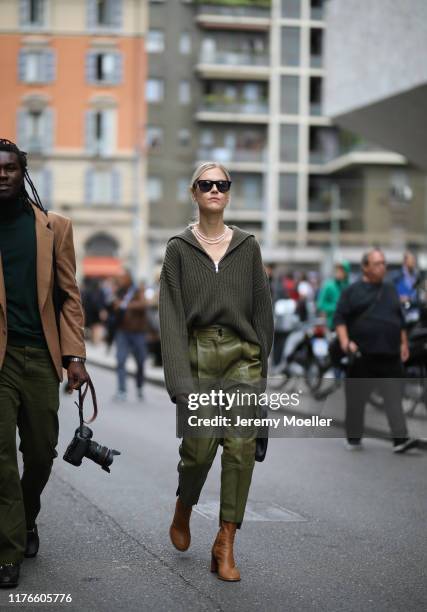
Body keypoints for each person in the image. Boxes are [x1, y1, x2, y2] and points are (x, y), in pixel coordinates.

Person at [159, 162, 273, 582]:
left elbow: (264, 317)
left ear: (228, 193)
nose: (214, 190)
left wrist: (261, 386)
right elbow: (170, 317)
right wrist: (179, 384)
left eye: (221, 184)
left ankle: (225, 542)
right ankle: (184, 505)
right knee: (198, 452)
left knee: (240, 451)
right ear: (194, 192)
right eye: (206, 184)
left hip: (243, 358)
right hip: (199, 356)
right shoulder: (178, 248)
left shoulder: (248, 247)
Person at [0, 139, 88, 588]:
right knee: (0, 461)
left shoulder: (54, 228)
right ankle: (7, 550)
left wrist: (75, 355)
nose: (2, 175)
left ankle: (26, 515)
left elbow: (69, 296)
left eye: (10, 168)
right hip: (0, 361)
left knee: (40, 453)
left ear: (23, 173)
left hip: (41, 356)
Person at [334, 248, 418, 453]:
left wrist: (403, 343)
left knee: (394, 398)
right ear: (365, 267)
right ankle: (354, 438)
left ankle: (400, 439)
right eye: (378, 263)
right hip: (362, 355)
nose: (383, 267)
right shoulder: (352, 291)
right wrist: (346, 343)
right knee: (356, 401)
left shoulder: (390, 289)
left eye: (384, 263)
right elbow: (340, 319)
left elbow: (399, 320)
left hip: (389, 355)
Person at [112, 270, 147, 401]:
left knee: (140, 361)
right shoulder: (119, 291)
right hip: (122, 331)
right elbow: (114, 306)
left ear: (129, 278)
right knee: (120, 360)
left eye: (122, 278)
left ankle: (139, 386)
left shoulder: (138, 290)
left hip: (138, 332)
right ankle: (121, 390)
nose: (120, 280)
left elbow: (144, 304)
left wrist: (126, 305)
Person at [317, 261, 350, 329]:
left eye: (341, 270)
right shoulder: (329, 286)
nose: (338, 272)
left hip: (347, 325)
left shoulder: (350, 286)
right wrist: (336, 308)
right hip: (332, 324)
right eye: (337, 270)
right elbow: (320, 304)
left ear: (346, 272)